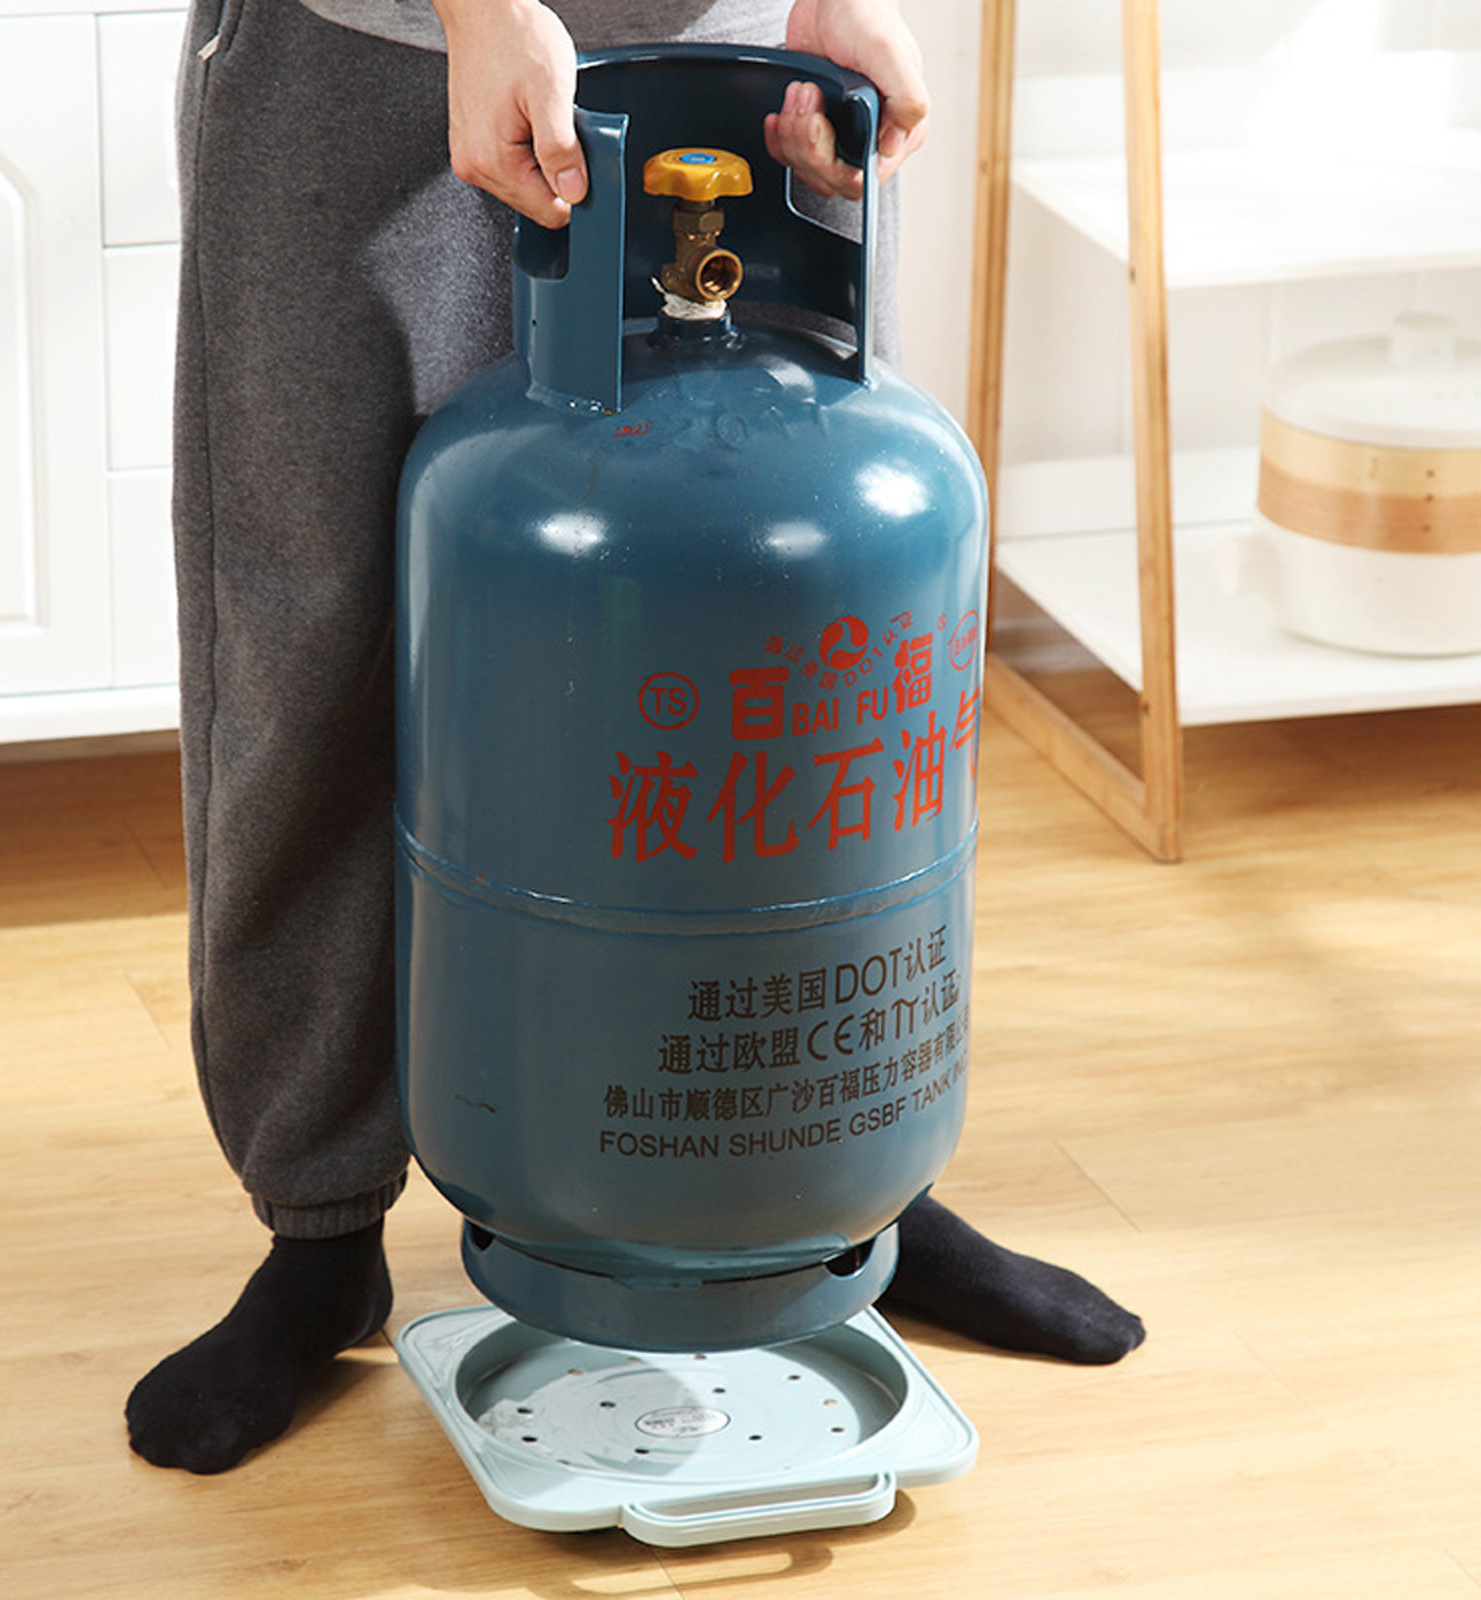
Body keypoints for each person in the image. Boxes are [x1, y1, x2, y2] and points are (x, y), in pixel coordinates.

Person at [126, 0, 1144, 1476]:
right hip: (375, 59)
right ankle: (320, 1233)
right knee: (314, 655)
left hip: (736, 49)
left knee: (800, 629)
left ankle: (849, 1180)